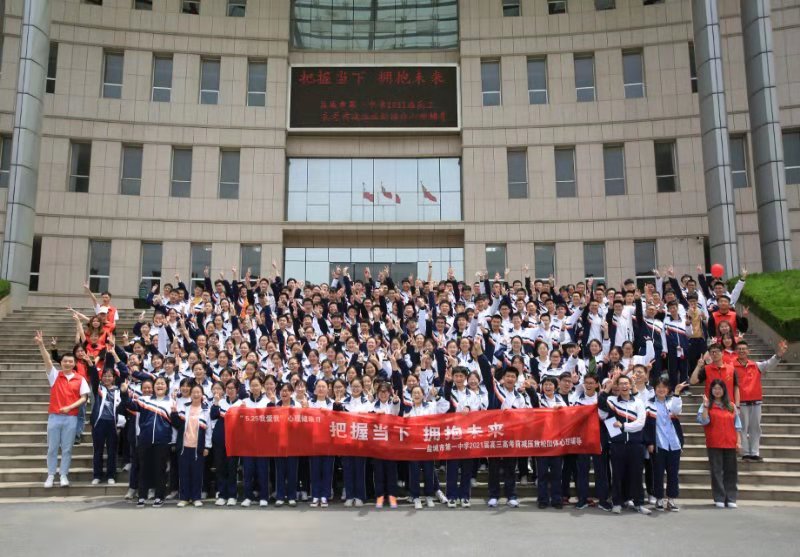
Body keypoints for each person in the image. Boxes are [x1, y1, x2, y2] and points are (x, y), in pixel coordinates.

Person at [35, 330, 91, 488]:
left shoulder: (80, 379)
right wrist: (41, 345)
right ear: (61, 363)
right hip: (54, 417)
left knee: (67, 448)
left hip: (71, 417)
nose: (67, 363)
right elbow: (47, 360)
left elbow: (84, 398)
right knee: (52, 448)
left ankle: (64, 475)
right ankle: (51, 475)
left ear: (74, 363)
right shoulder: (55, 375)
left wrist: (70, 407)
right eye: (65, 361)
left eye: (70, 361)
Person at [598, 372, 651, 515]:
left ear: (630, 385)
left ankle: (639, 503)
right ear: (617, 386)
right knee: (617, 475)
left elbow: (640, 423)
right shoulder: (612, 400)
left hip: (636, 444)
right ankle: (617, 503)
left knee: (636, 474)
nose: (623, 386)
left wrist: (623, 426)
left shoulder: (638, 402)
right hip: (617, 444)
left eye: (626, 383)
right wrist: (610, 384)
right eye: (620, 383)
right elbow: (601, 403)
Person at [121, 376, 173, 508]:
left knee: (160, 470)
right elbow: (129, 405)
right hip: (145, 439)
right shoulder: (144, 400)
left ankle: (159, 496)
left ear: (167, 387)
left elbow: (176, 423)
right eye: (157, 383)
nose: (160, 386)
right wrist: (124, 392)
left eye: (162, 384)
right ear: (154, 387)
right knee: (144, 469)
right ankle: (142, 496)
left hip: (163, 441)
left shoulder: (172, 402)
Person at [734, 339, 787, 462]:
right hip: (741, 403)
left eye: (744, 349)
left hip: (756, 402)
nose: (741, 351)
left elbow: (769, 364)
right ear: (736, 351)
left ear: (748, 351)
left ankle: (754, 452)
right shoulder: (732, 367)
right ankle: (745, 453)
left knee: (756, 428)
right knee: (742, 428)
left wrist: (779, 354)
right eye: (739, 349)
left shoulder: (756, 365)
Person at [697, 379, 742, 508]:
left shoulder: (731, 406)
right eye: (714, 388)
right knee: (716, 471)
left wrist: (738, 442)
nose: (717, 391)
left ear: (724, 390)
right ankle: (719, 497)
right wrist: (706, 406)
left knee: (731, 471)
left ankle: (731, 497)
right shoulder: (707, 405)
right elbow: (703, 421)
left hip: (730, 442)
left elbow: (737, 425)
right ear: (711, 390)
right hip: (714, 442)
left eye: (719, 388)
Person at [645, 377, 687, 511]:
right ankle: (659, 499)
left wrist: (677, 393)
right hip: (658, 444)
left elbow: (677, 411)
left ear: (668, 389)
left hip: (673, 443)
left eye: (664, 387)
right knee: (657, 473)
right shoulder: (649, 404)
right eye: (659, 387)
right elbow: (647, 426)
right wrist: (649, 442)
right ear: (655, 389)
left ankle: (671, 500)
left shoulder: (672, 401)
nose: (661, 389)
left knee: (673, 473)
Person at [171, 383, 213, 507]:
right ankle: (184, 498)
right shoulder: (184, 407)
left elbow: (208, 430)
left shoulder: (206, 410)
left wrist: (207, 446)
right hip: (184, 446)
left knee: (197, 473)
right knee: (184, 473)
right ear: (191, 394)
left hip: (198, 447)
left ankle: (196, 498)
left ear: (202, 395)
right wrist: (174, 413)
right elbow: (177, 425)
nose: (196, 394)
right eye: (194, 392)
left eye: (198, 392)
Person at [240, 375, 270, 507]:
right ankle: (248, 496)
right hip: (248, 442)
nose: (255, 387)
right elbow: (239, 421)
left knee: (262, 471)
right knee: (248, 471)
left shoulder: (267, 402)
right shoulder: (244, 402)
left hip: (263, 442)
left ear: (261, 387)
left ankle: (264, 496)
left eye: (257, 385)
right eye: (252, 385)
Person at [210, 379, 241, 506]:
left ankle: (232, 495)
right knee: (220, 468)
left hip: (234, 441)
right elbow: (213, 415)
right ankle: (222, 494)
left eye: (232, 388)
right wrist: (216, 402)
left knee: (232, 468)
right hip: (220, 440)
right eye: (228, 388)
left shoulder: (241, 404)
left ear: (237, 390)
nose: (230, 390)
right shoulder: (221, 402)